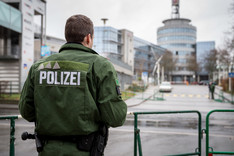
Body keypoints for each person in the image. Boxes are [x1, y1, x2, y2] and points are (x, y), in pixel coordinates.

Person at [19, 14, 127, 156]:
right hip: (85, 151)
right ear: (88, 38)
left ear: (67, 37)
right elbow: (115, 117)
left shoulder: (38, 67)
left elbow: (26, 111)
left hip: (47, 151)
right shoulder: (100, 66)